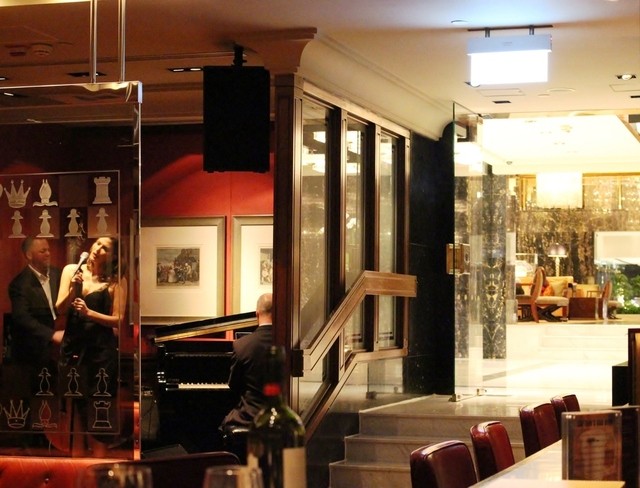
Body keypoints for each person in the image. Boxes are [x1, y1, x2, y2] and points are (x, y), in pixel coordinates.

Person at [55, 236, 126, 455]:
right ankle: (76, 464)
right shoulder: (71, 270)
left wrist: (89, 313)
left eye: (105, 247)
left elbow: (119, 320)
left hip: (100, 352)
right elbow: (59, 309)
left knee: (99, 406)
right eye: (97, 243)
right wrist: (73, 289)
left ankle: (98, 462)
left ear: (113, 256)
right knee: (74, 407)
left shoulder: (116, 281)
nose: (97, 248)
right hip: (73, 347)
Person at [219, 293, 274, 458]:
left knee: (224, 421)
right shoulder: (288, 342)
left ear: (257, 314)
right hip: (279, 416)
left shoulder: (241, 345)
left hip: (250, 417)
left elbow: (234, 385)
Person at [8, 237, 63, 368]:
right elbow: (22, 317)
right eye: (42, 251)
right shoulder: (19, 284)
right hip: (33, 351)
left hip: (60, 349)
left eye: (48, 250)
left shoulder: (58, 274)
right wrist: (52, 334)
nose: (48, 254)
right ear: (29, 255)